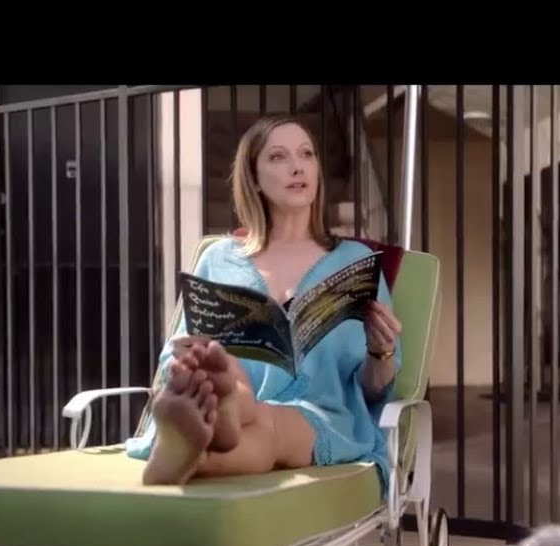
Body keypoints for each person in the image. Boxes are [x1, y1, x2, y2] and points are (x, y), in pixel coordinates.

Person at [124, 114, 404, 488]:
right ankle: (223, 410)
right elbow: (176, 354)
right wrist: (188, 357)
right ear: (254, 178)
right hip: (237, 402)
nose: (297, 167)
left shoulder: (354, 262)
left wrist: (381, 350)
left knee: (270, 423)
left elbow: (374, 390)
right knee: (228, 373)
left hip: (320, 414)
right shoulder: (219, 259)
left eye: (306, 154)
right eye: (278, 157)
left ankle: (198, 441)